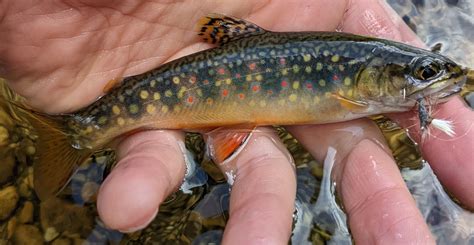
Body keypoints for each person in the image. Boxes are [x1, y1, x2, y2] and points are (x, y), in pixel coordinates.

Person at [1, 0, 472, 244]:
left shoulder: (356, 75)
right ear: (370, 76)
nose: (432, 80)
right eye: (424, 74)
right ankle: (72, 136)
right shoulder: (349, 86)